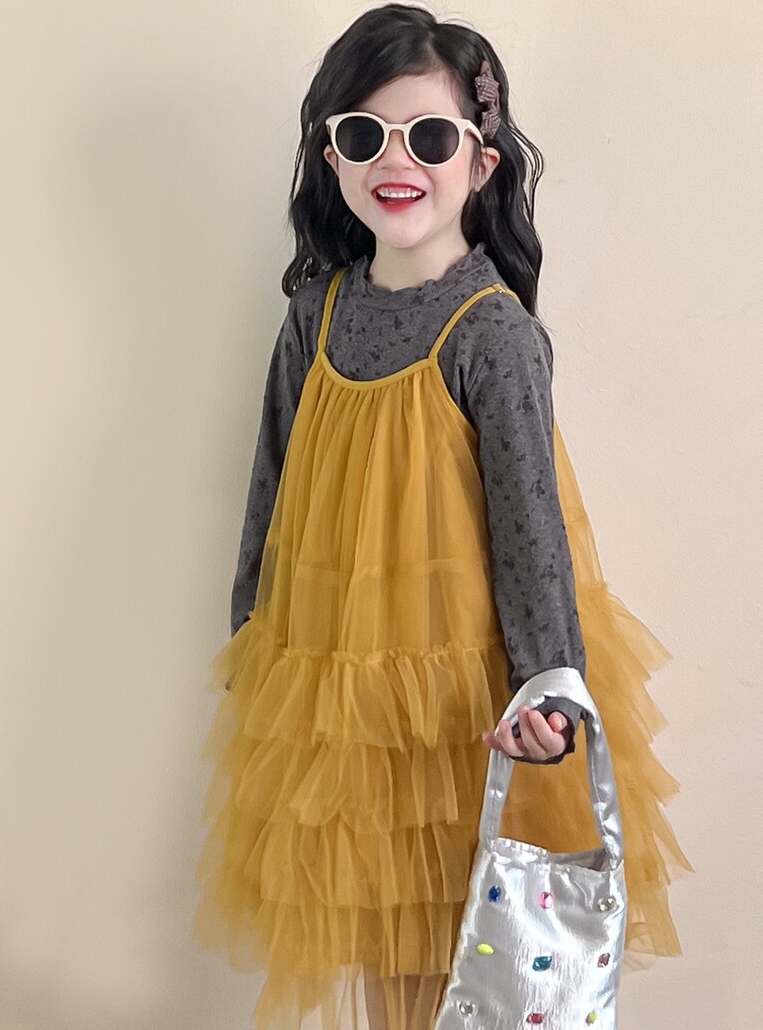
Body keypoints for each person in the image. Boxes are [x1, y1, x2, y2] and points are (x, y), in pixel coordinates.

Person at [192, 5, 692, 1028]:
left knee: (466, 967)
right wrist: (251, 627)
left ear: (482, 161)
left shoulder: (489, 333)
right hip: (343, 697)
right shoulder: (317, 312)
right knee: (387, 962)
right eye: (363, 133)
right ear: (329, 154)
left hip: (471, 708)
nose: (396, 160)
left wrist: (551, 686)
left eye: (428, 135)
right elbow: (272, 476)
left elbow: (531, 528)